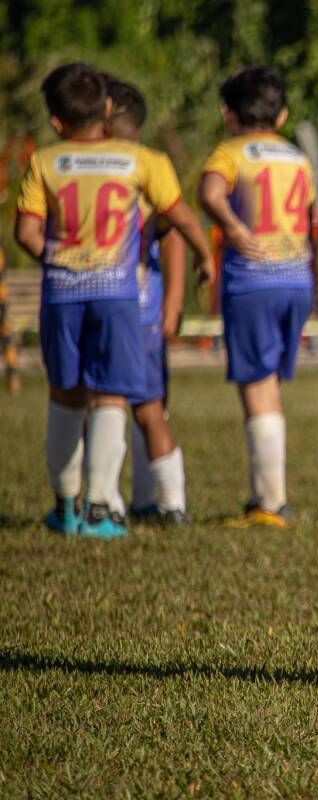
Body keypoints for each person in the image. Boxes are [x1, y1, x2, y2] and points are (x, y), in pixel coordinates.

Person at [14, 62, 213, 538]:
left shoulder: (45, 162)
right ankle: (101, 509)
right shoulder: (142, 160)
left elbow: (26, 232)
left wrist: (60, 257)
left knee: (65, 396)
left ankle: (65, 505)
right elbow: (180, 217)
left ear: (56, 121)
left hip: (63, 295)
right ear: (106, 108)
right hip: (116, 295)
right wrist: (206, 254)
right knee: (111, 395)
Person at [198, 66, 314, 528]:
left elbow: (209, 193)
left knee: (256, 385)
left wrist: (233, 228)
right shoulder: (297, 157)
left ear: (228, 114)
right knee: (271, 383)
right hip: (297, 277)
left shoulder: (230, 152)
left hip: (252, 280)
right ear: (282, 116)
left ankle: (269, 501)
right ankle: (269, 496)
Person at [103, 75, 191, 526]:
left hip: (123, 305)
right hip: (140, 304)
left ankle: (115, 501)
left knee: (115, 406)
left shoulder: (129, 167)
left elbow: (171, 230)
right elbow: (173, 231)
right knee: (146, 407)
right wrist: (172, 300)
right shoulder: (149, 164)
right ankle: (156, 502)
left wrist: (172, 300)